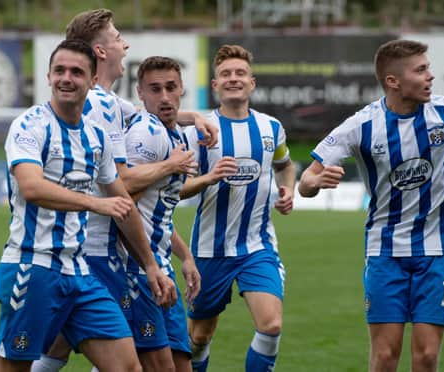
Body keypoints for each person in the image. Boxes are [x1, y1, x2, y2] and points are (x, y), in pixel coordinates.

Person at [298, 39, 444, 372]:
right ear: (393, 81)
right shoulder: (361, 126)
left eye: (428, 68)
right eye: (421, 70)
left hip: (438, 249)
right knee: (385, 357)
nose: (431, 76)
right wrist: (318, 181)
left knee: (427, 356)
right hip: (385, 251)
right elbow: (305, 182)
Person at [31, 9, 214, 371]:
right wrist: (171, 165)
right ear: (100, 51)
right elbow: (121, 186)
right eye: (117, 38)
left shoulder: (111, 104)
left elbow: (152, 112)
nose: (124, 43)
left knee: (61, 349)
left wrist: (194, 118)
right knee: (128, 361)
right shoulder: (97, 105)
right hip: (100, 251)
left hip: (93, 248)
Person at [0, 39, 174, 372]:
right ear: (48, 76)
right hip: (33, 267)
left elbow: (122, 204)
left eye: (77, 72)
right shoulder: (29, 126)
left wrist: (150, 265)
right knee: (13, 367)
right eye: (59, 70)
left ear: (92, 80)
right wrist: (94, 203)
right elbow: (31, 187)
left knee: (128, 367)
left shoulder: (96, 137)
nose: (66, 78)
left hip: (80, 273)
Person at [181, 44, 296, 372]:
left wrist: (288, 189)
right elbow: (176, 190)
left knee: (271, 324)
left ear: (252, 82)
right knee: (199, 336)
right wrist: (208, 178)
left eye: (240, 73)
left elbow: (284, 165)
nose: (234, 79)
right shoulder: (197, 132)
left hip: (257, 246)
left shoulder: (271, 129)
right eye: (226, 74)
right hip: (209, 249)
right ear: (215, 85)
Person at [122, 56, 202, 372]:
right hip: (140, 270)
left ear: (182, 88)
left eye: (171, 87)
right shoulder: (147, 132)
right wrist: (149, 265)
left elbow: (158, 210)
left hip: (161, 266)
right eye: (155, 89)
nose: (165, 96)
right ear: (140, 93)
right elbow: (125, 201)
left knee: (181, 363)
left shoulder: (176, 135)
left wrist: (186, 257)